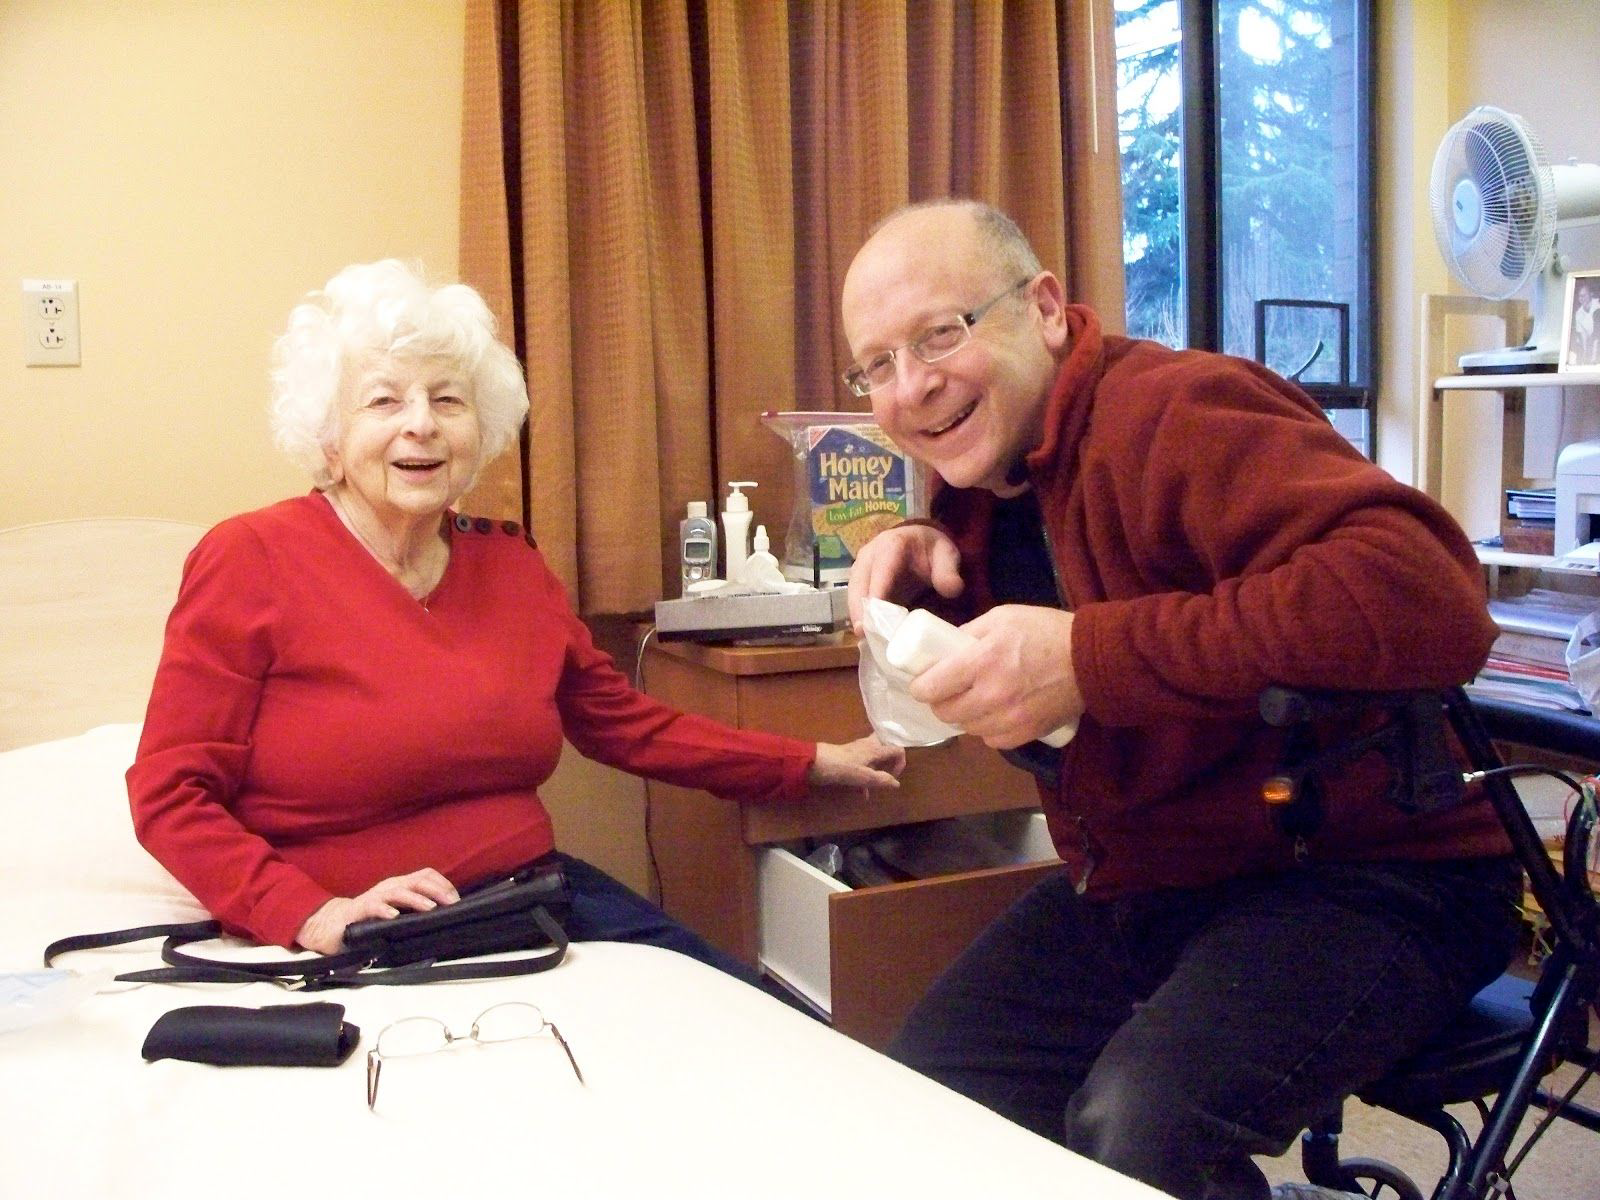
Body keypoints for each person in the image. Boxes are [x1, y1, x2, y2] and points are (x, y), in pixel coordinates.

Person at [841, 201, 1519, 1200]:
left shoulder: (1179, 411)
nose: (912, 387)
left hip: (1376, 877)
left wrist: (1088, 656)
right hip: (1162, 877)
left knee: (1138, 1125)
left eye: (940, 334)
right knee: (935, 1094)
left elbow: (1429, 595)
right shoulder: (986, 490)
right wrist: (923, 565)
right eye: (877, 365)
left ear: (1043, 308)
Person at [128, 259, 903, 981]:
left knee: (753, 1025)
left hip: (535, 903)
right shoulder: (250, 560)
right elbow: (171, 795)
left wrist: (804, 763)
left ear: (481, 429)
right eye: (384, 400)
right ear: (329, 441)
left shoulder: (510, 566)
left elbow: (623, 724)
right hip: (362, 935)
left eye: (448, 399)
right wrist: (312, 913)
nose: (421, 425)